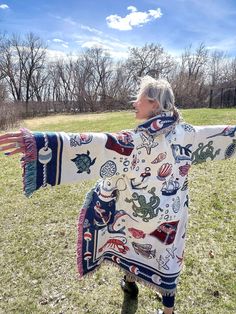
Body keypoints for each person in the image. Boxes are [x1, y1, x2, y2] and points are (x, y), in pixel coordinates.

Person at [0, 76, 235, 314]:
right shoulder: (188, 133)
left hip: (136, 213)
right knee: (168, 256)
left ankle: (131, 283)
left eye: (139, 98)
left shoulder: (134, 139)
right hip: (172, 218)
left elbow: (95, 144)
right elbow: (224, 135)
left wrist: (39, 143)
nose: (134, 103)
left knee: (131, 240)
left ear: (154, 104)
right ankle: (165, 309)